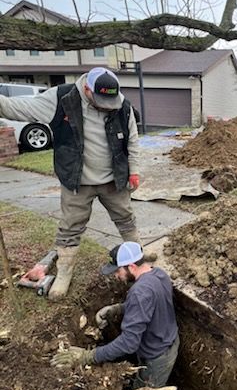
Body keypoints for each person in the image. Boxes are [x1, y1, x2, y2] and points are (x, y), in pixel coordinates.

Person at [0, 67, 155, 300]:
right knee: (70, 228)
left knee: (125, 218)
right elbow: (16, 108)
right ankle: (64, 273)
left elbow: (132, 141)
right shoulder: (61, 98)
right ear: (86, 89)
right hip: (77, 181)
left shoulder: (121, 104)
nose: (106, 105)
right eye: (101, 100)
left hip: (114, 179)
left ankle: (136, 257)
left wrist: (134, 172)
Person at [51, 242, 179, 389]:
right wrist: (118, 309)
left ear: (131, 266)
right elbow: (152, 305)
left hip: (157, 356)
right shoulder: (159, 274)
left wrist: (88, 356)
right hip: (168, 339)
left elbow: (128, 343)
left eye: (118, 271)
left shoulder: (139, 292)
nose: (116, 275)